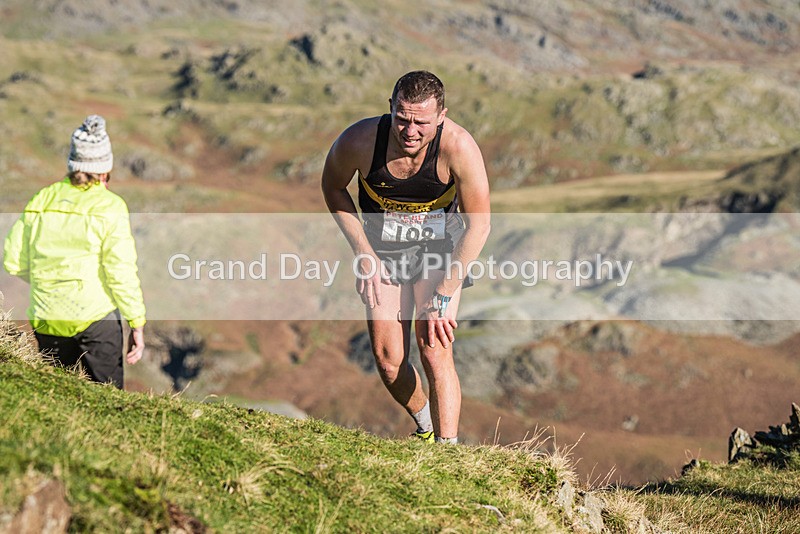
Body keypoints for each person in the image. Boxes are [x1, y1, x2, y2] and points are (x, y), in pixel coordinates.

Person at [322, 71, 491, 444]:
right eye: (402, 118)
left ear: (441, 117)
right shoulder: (360, 140)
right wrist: (363, 253)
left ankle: (448, 454)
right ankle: (426, 428)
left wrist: (445, 292)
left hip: (439, 252)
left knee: (433, 346)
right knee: (388, 359)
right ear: (391, 108)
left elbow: (479, 225)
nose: (409, 130)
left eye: (421, 122)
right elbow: (332, 187)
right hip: (382, 252)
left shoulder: (459, 147)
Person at [3, 115, 146, 389]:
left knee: (57, 399)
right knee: (108, 404)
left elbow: (13, 260)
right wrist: (136, 323)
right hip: (96, 320)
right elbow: (121, 271)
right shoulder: (110, 206)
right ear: (104, 169)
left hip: (47, 317)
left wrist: (50, 281)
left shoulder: (43, 198)